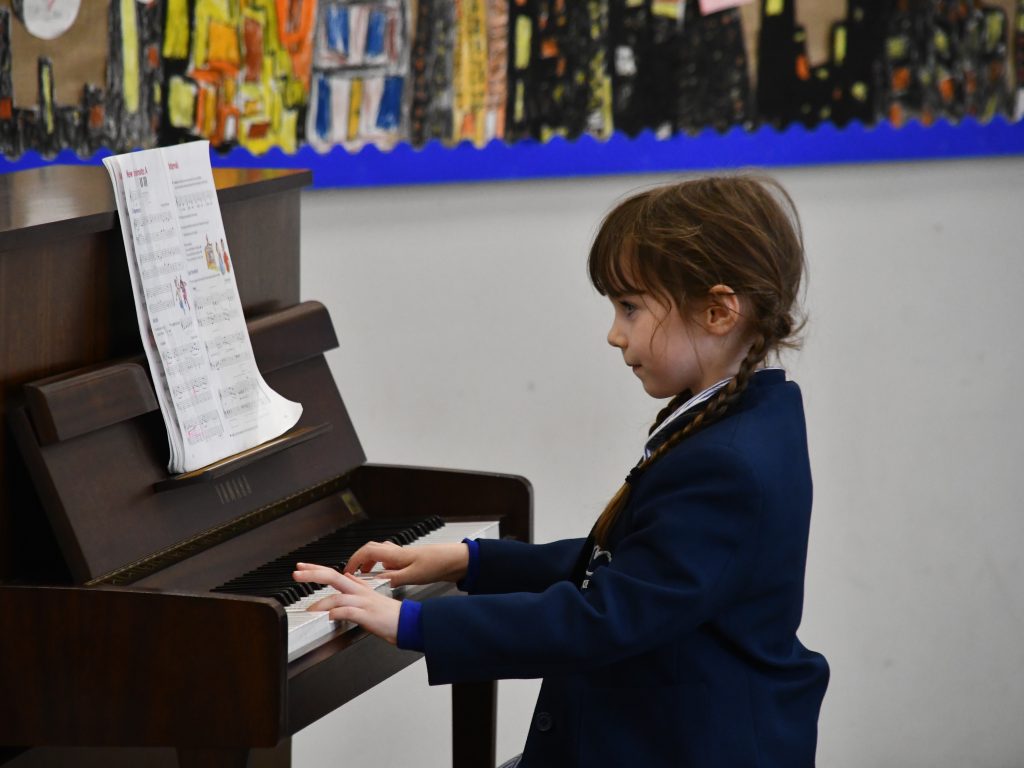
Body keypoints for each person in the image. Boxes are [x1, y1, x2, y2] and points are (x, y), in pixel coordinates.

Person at [294, 175, 829, 767]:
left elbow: (604, 617)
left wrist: (418, 623)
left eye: (630, 307)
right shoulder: (746, 414)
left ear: (717, 310)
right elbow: (638, 565)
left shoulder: (727, 462)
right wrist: (470, 561)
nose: (614, 333)